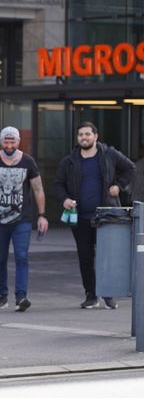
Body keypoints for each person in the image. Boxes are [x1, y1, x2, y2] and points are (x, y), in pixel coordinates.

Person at [52, 122, 136, 310]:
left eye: (88, 134)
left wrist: (119, 186)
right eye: (81, 134)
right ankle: (91, 295)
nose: (84, 137)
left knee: (107, 256)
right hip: (80, 217)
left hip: (106, 216)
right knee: (85, 256)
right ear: (77, 138)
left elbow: (131, 168)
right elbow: (58, 184)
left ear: (95, 136)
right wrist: (64, 199)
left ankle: (108, 294)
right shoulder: (70, 160)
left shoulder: (109, 154)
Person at [0, 126, 48, 312]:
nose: (9, 145)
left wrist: (42, 215)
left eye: (12, 141)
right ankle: (1, 297)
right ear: (0, 141)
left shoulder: (28, 162)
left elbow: (38, 189)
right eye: (6, 141)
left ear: (18, 141)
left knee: (22, 257)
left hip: (22, 219)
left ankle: (21, 297)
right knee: (0, 259)